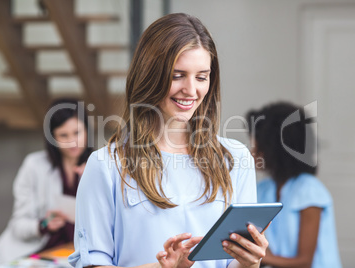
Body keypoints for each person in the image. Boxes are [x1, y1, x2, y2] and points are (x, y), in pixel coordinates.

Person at [69, 13, 267, 268]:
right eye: (177, 75)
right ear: (150, 75)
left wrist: (249, 262)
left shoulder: (235, 158)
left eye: (201, 76)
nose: (191, 90)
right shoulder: (106, 165)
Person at [0, 98, 93, 265]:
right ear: (52, 137)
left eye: (77, 133)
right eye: (63, 135)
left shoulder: (99, 166)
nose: (72, 141)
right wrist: (43, 225)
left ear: (87, 130)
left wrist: (92, 181)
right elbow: (19, 225)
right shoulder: (34, 166)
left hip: (80, 254)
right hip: (38, 253)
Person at [245, 102, 342, 268]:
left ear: (275, 148)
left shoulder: (309, 190)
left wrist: (255, 255)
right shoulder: (263, 189)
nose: (252, 152)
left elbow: (304, 262)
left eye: (257, 145)